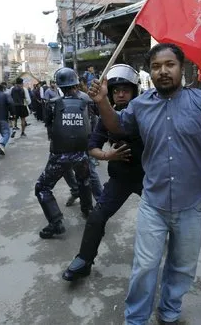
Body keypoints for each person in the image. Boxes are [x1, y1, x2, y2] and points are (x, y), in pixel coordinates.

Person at [88, 43, 201, 325]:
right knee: (144, 267)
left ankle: (169, 311)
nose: (163, 71)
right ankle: (136, 318)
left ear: (182, 68)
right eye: (156, 66)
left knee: (183, 267)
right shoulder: (140, 106)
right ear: (149, 72)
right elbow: (116, 127)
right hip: (153, 203)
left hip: (192, 204)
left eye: (169, 65)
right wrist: (103, 101)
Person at [62, 64, 144, 282]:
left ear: (135, 91)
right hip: (120, 178)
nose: (120, 93)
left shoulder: (147, 111)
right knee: (97, 217)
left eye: (125, 89)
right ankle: (84, 260)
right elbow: (92, 146)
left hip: (149, 178)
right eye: (116, 90)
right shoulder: (107, 117)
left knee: (167, 217)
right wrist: (108, 156)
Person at [36, 67, 95, 239]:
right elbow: (92, 123)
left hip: (59, 155)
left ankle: (55, 223)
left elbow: (49, 127)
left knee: (42, 187)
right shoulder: (87, 101)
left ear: (59, 86)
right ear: (76, 83)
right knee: (84, 180)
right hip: (82, 154)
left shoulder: (53, 103)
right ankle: (87, 210)